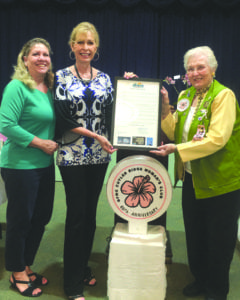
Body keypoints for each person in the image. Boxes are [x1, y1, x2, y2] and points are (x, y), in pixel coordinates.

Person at [151, 46, 240, 300]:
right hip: (191, 178)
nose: (194, 72)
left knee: (220, 239)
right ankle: (200, 279)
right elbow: (173, 130)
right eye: (190, 68)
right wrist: (166, 106)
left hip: (221, 181)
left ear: (213, 68)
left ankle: (216, 290)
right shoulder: (187, 96)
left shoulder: (224, 96)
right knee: (196, 233)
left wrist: (177, 148)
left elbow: (217, 139)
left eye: (200, 67)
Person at [54, 22, 116, 300]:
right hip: (72, 155)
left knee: (90, 216)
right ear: (72, 46)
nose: (85, 47)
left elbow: (115, 113)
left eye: (90, 43)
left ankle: (81, 268)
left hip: (99, 157)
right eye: (80, 42)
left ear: (97, 47)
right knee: (77, 217)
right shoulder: (61, 77)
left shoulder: (105, 78)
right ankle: (72, 285)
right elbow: (63, 119)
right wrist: (96, 135)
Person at [0, 38, 58, 297]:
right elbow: (6, 124)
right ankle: (16, 271)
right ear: (25, 59)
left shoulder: (49, 87)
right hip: (20, 165)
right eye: (36, 54)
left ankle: (25, 264)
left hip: (44, 165)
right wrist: (39, 144)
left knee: (41, 218)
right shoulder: (17, 87)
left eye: (45, 54)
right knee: (20, 220)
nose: (42, 58)